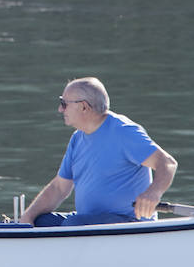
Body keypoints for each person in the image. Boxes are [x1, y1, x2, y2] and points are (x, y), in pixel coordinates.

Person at [19, 77, 177, 227]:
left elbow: (167, 163)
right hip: (88, 221)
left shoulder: (124, 132)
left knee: (73, 225)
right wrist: (28, 217)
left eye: (64, 103)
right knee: (41, 221)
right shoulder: (77, 138)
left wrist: (153, 193)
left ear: (83, 107)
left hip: (129, 221)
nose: (60, 109)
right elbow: (59, 188)